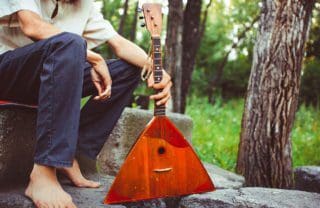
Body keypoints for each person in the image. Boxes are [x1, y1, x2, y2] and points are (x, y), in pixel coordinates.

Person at [0, 0, 172, 207]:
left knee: (128, 70)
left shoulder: (84, 5)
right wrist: (92, 58)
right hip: (8, 73)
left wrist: (157, 70)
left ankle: (71, 153)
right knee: (71, 43)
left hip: (52, 74)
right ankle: (44, 171)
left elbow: (119, 44)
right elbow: (32, 26)